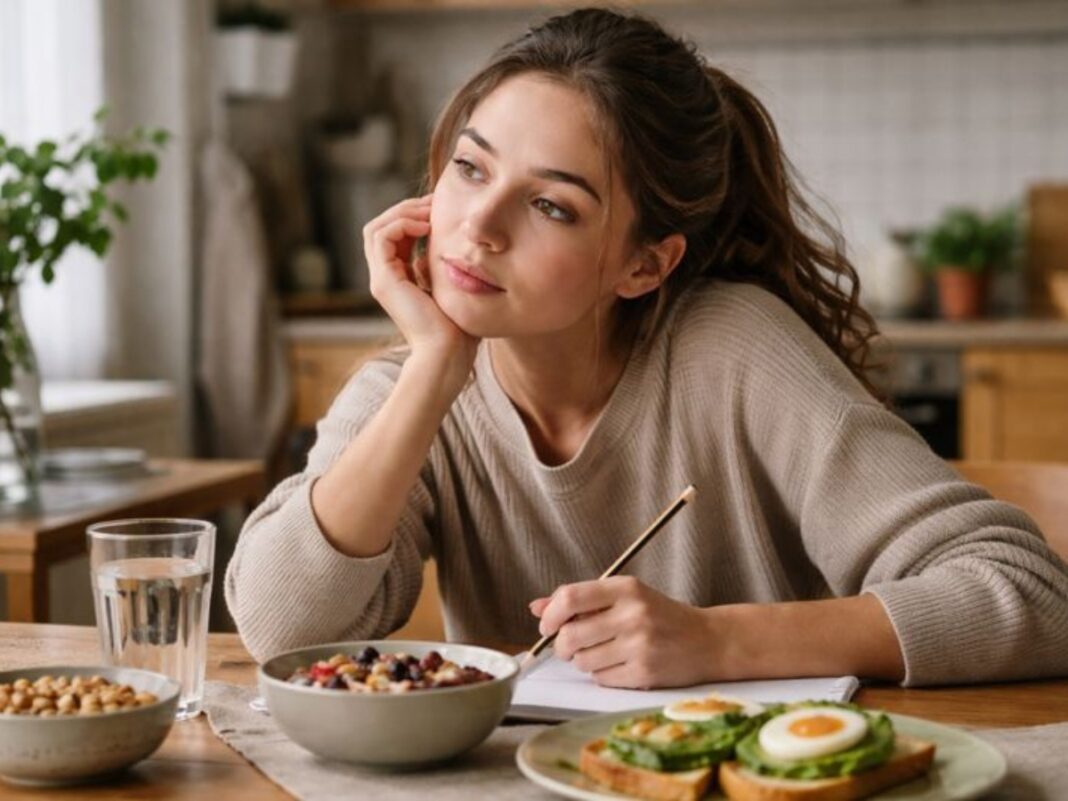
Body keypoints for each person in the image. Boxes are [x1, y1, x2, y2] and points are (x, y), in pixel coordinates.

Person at [226, 8, 1068, 688]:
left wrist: (720, 642)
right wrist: (434, 372)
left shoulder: (735, 349)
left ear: (644, 264)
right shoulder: (413, 387)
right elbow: (278, 630)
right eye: (471, 169)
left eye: (551, 206)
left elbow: (1029, 593)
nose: (478, 225)